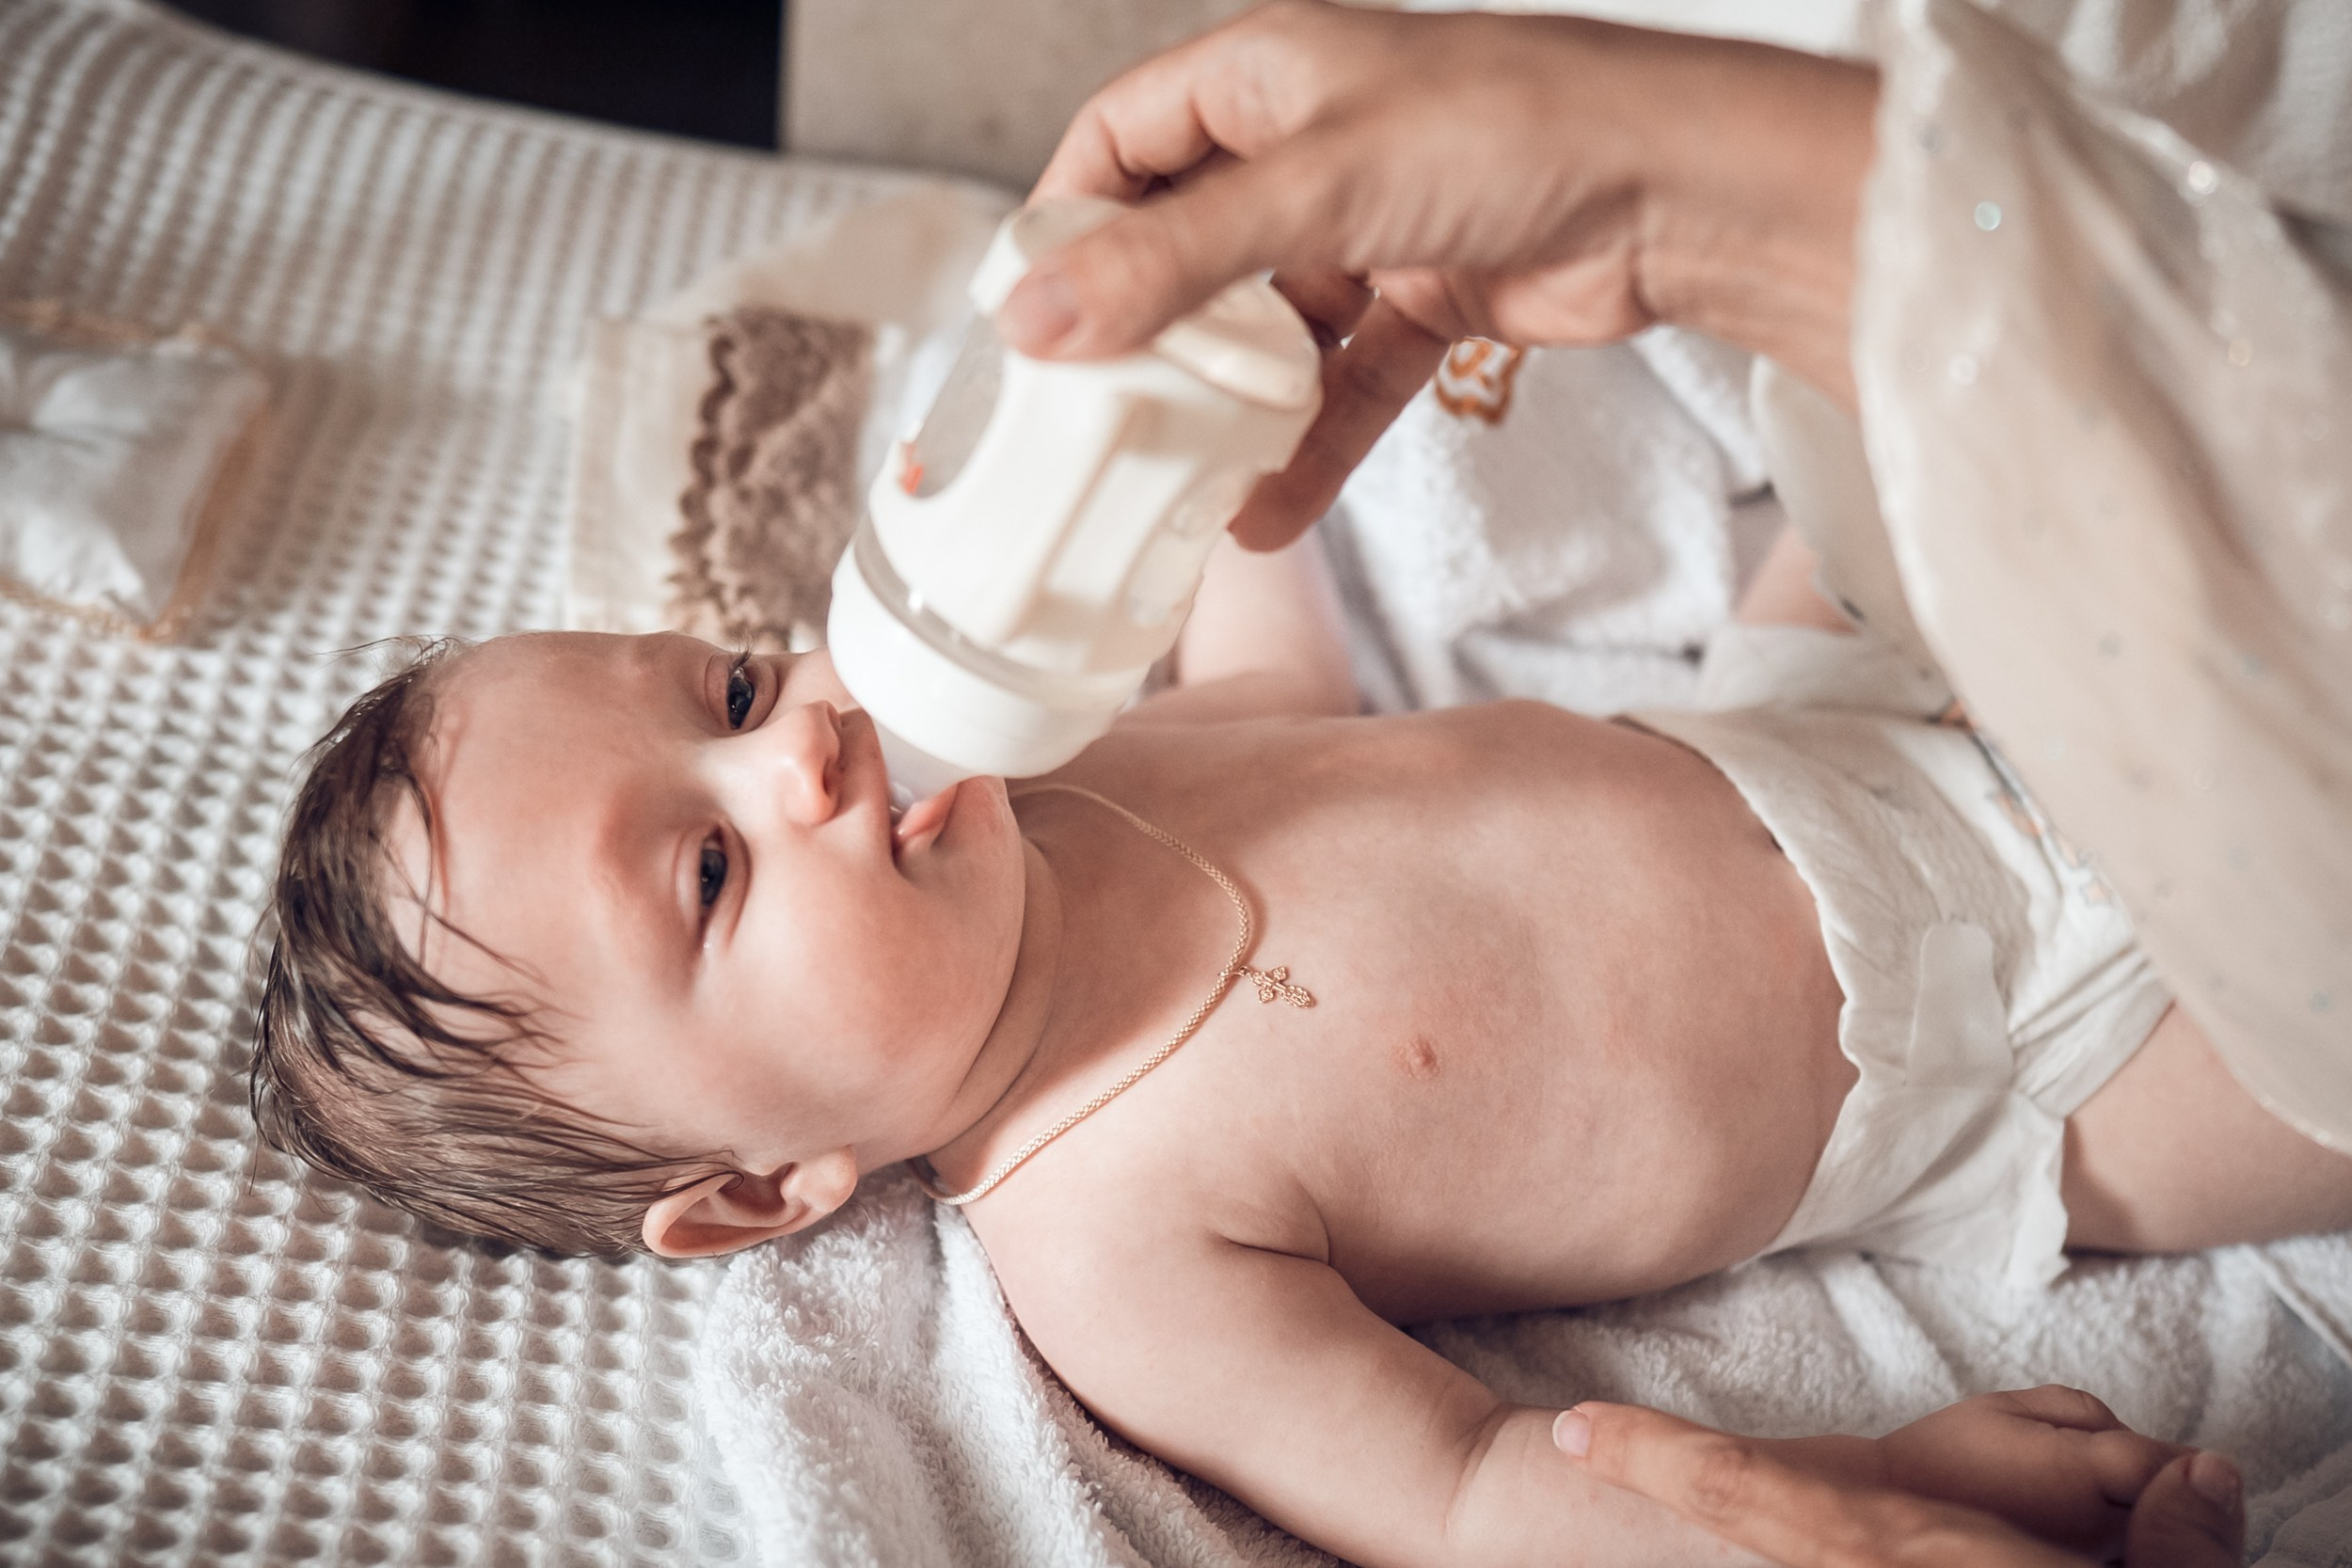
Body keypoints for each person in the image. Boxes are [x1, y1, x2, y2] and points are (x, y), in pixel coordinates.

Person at [248, 499, 2352, 1568]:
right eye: (707, 877)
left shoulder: (1082, 770)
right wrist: (1858, 1480)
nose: (798, 735)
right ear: (761, 1187)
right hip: (2002, 1061)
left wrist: (1243, 466)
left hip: (1800, 717)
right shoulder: (1116, 1233)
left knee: (1931, 372)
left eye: (717, 690)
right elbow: (1458, 1498)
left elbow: (1283, 664)